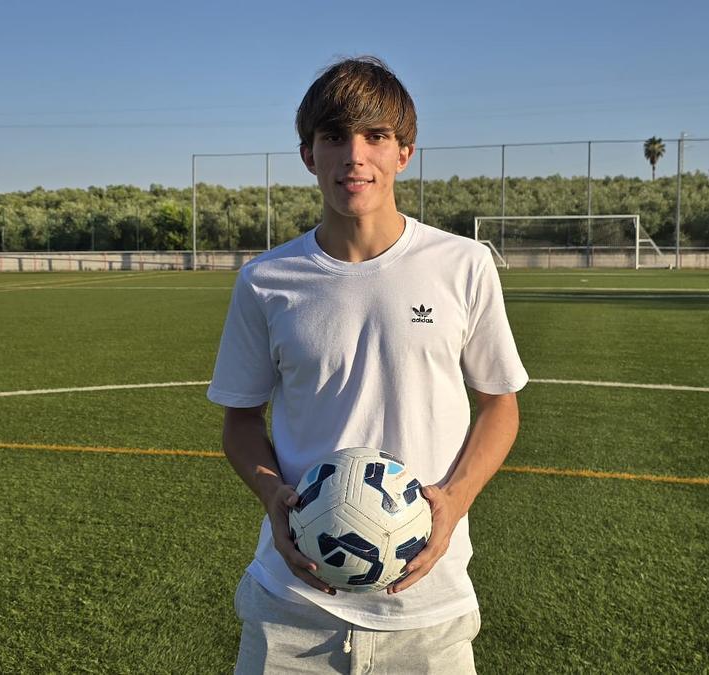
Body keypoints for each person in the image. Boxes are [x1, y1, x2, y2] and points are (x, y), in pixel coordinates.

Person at [207, 56, 528, 674]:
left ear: (404, 152)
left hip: (428, 610)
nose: (355, 155)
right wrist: (272, 493)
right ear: (309, 154)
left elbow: (500, 405)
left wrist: (453, 503)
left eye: (375, 136)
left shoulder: (462, 264)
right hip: (292, 610)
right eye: (334, 136)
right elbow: (240, 420)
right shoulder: (267, 280)